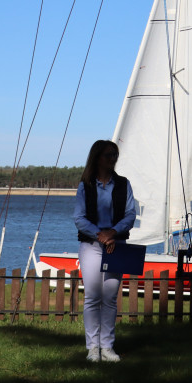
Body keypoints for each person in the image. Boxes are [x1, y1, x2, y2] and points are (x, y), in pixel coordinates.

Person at [74, 140, 136, 363]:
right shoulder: (86, 185)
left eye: (114, 155)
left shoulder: (123, 184)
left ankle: (107, 347)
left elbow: (130, 215)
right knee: (92, 297)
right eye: (108, 155)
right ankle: (92, 348)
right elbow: (79, 218)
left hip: (116, 245)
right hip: (91, 246)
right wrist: (100, 234)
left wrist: (113, 232)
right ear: (97, 157)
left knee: (110, 298)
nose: (112, 159)